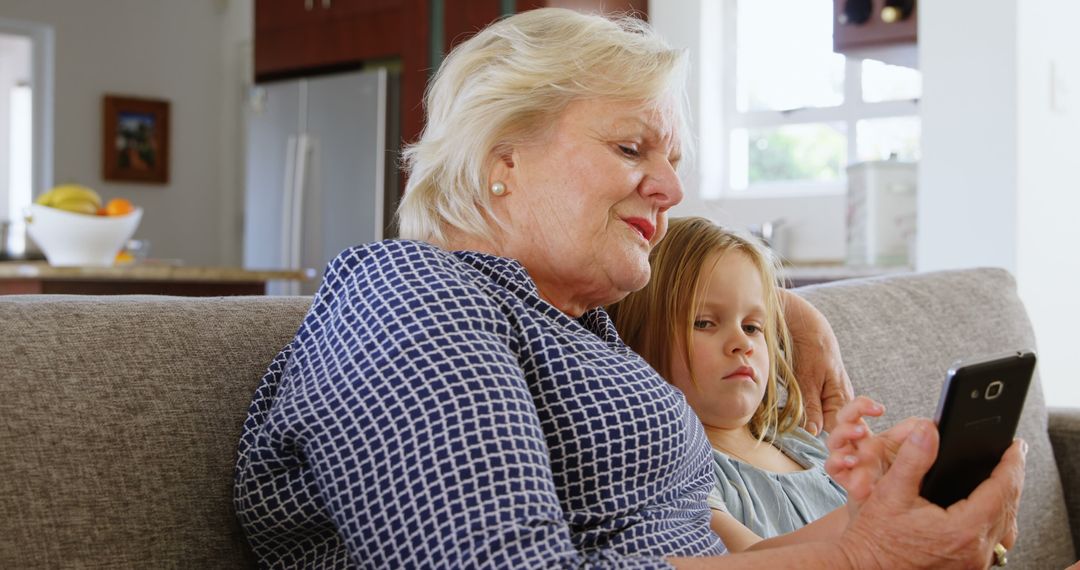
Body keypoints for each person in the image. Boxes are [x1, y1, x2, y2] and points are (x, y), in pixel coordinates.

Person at [234, 8, 1025, 568]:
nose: (671, 190)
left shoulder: (577, 324)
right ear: (501, 160)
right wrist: (862, 559)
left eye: (674, 159)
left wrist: (884, 524)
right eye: (631, 147)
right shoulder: (413, 297)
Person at [606, 217, 849, 550]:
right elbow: (750, 558)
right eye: (704, 323)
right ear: (636, 340)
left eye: (752, 327)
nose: (742, 343)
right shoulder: (679, 468)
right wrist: (871, 517)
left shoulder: (805, 440)